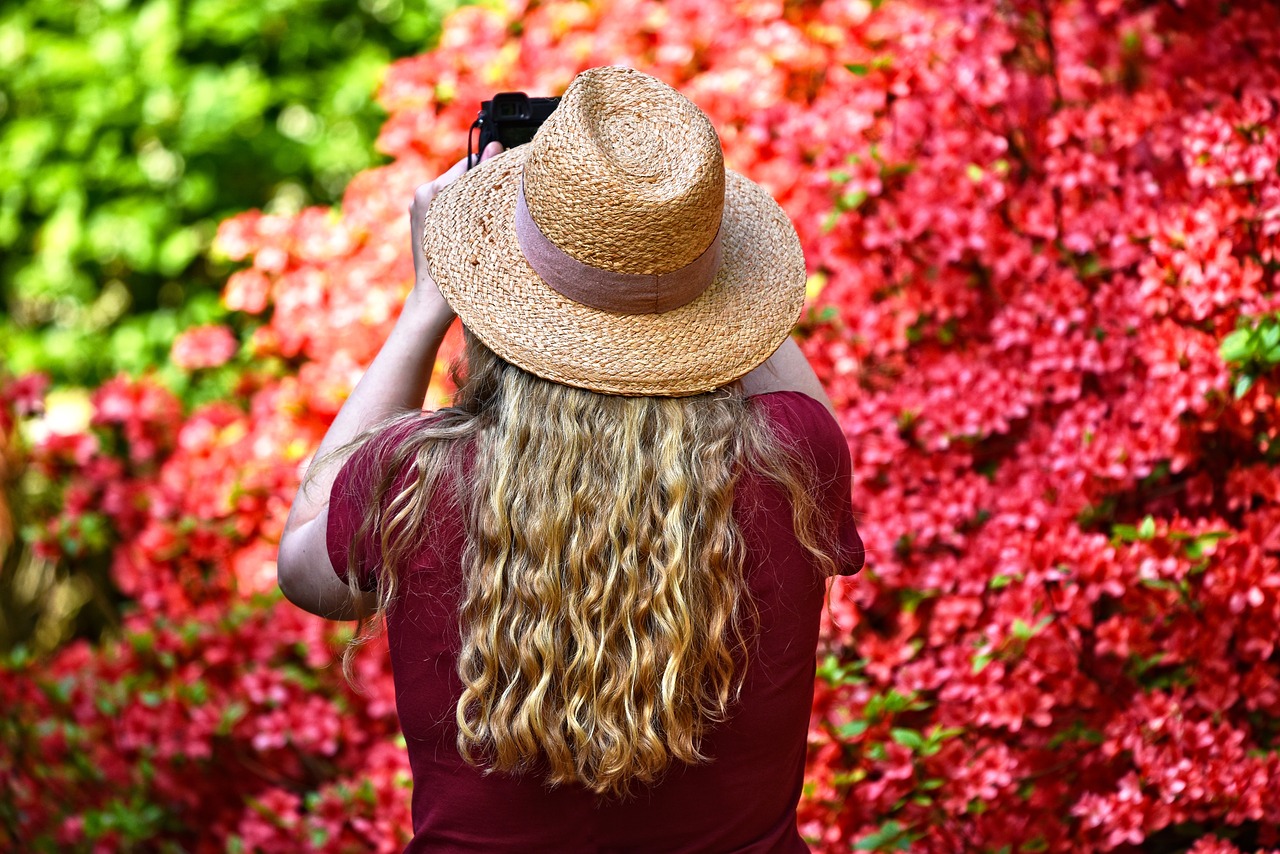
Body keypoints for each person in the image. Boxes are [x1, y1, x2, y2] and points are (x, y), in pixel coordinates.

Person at [277, 66, 864, 853]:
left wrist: (428, 301)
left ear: (499, 290)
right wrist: (681, 241)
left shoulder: (416, 480)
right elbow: (800, 402)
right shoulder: (790, 459)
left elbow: (305, 564)